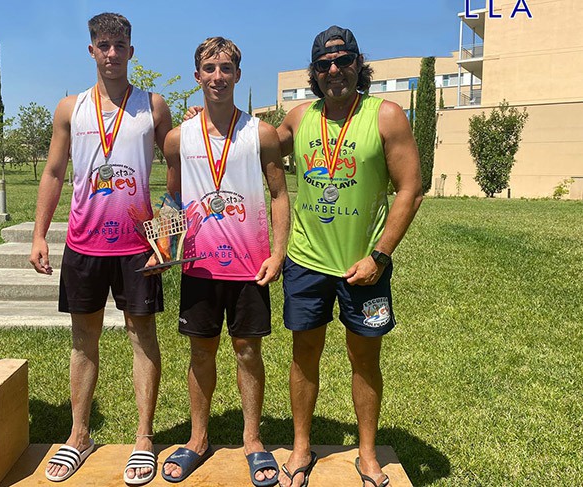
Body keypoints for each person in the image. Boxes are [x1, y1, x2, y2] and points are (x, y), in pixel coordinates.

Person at [275, 26, 423, 487]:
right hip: (306, 260)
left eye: (343, 60)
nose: (334, 70)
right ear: (314, 73)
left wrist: (379, 256)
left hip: (365, 266)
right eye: (324, 64)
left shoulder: (387, 116)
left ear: (359, 63)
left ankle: (366, 454)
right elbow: (253, 147)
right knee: (305, 355)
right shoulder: (298, 118)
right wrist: (211, 121)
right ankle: (301, 448)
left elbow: (411, 190)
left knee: (365, 359)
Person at [29, 12, 172, 484]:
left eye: (120, 45)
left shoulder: (153, 105)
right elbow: (53, 172)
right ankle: (79, 435)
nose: (112, 53)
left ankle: (144, 438)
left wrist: (168, 235)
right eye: (103, 45)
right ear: (91, 50)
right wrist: (38, 234)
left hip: (139, 246)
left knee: (141, 337)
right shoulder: (70, 108)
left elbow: (174, 176)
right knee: (83, 340)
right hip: (84, 243)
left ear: (132, 51)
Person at [159, 37, 290, 486]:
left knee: (248, 349)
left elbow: (278, 193)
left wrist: (278, 252)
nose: (218, 76)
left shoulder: (261, 133)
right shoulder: (179, 138)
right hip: (199, 265)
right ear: (198, 76)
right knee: (201, 351)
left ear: (238, 74)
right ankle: (198, 438)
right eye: (209, 68)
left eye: (226, 68)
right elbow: (173, 196)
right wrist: (163, 243)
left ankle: (253, 439)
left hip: (251, 264)